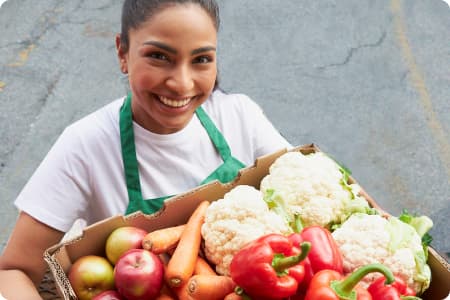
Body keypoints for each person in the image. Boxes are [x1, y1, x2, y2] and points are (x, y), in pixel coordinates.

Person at [0, 0, 291, 298]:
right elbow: (13, 271)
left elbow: (305, 187)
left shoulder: (240, 116)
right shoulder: (86, 145)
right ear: (122, 53)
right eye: (159, 56)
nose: (181, 83)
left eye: (201, 59)